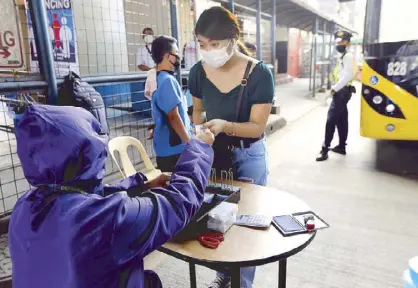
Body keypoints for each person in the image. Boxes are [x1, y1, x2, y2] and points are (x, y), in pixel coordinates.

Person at [8, 103, 215, 288]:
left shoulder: (25, 206)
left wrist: (139, 185)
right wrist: (199, 148)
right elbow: (178, 203)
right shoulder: (106, 220)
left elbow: (78, 201)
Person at [189, 6, 274, 288]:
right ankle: (222, 278)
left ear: (232, 39)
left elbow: (257, 127)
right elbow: (198, 113)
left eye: (215, 44)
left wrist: (225, 125)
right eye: (202, 44)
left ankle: (242, 284)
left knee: (247, 224)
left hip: (248, 156)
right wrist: (199, 127)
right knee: (217, 217)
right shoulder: (198, 72)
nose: (208, 50)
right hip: (214, 155)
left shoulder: (259, 73)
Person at [151, 35, 192, 172]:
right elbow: (173, 116)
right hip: (174, 149)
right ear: (168, 56)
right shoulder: (168, 81)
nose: (178, 56)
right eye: (177, 53)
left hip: (165, 148)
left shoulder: (156, 78)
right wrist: (189, 143)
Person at [316, 30, 356, 161]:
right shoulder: (344, 56)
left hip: (342, 92)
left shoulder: (348, 56)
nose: (339, 43)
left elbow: (348, 75)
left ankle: (324, 149)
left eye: (342, 41)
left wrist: (334, 89)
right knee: (342, 119)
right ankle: (341, 147)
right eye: (338, 41)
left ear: (348, 43)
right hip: (343, 91)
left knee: (331, 120)